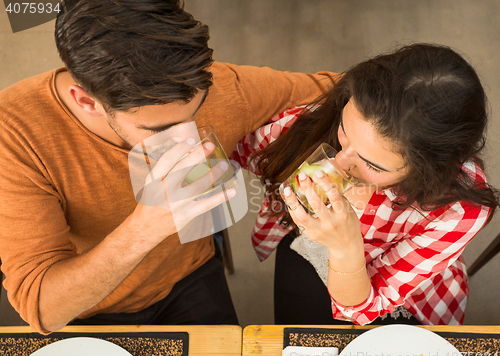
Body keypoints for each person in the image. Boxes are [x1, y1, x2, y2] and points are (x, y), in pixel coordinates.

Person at [0, 0, 336, 334]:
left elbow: (350, 90)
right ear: (87, 102)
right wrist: (146, 228)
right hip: (85, 307)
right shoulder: (15, 133)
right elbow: (41, 308)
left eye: (196, 112)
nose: (185, 140)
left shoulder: (221, 87)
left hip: (191, 275)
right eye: (159, 131)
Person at [231, 43, 498, 325]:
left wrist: (345, 247)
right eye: (345, 130)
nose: (342, 161)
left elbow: (363, 309)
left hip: (406, 295)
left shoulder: (458, 207)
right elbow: (234, 150)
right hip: (306, 243)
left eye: (372, 165)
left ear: (427, 171)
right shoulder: (315, 119)